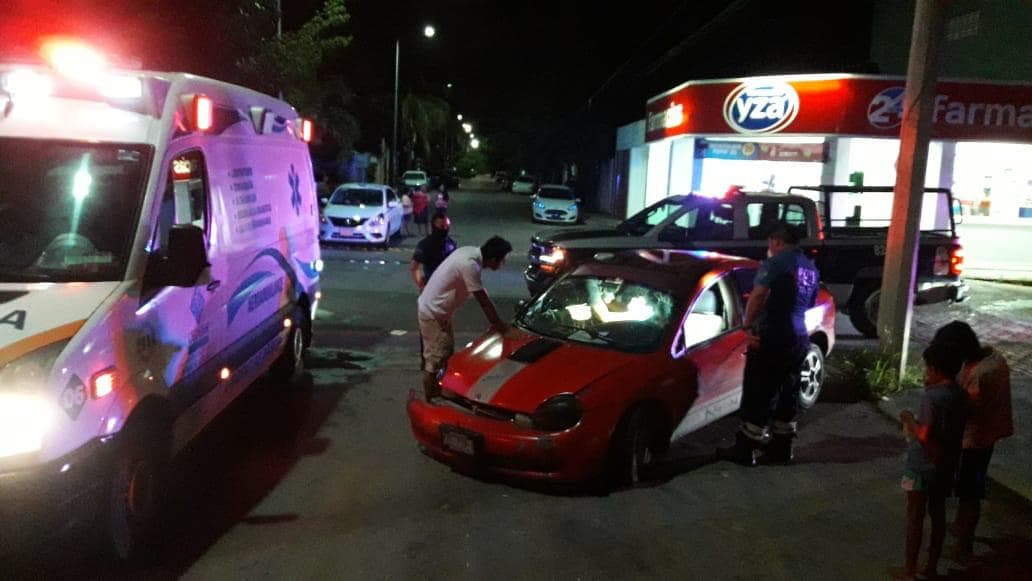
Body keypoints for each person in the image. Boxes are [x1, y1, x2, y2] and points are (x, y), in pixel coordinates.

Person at [720, 221, 819, 466]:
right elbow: (809, 303)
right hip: (799, 337)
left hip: (774, 334)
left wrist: (748, 324)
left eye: (770, 244)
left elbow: (757, 296)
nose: (769, 248)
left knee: (759, 390)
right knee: (789, 391)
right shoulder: (811, 269)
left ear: (776, 242)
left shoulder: (774, 263)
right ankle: (781, 448)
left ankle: (745, 449)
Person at [931, 321, 1013, 562]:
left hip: (976, 439)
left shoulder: (980, 374)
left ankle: (963, 545)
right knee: (970, 488)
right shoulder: (992, 359)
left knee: (969, 491)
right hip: (986, 436)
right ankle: (961, 531)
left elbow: (967, 409)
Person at [897, 342, 966, 580]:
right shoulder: (960, 394)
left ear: (935, 369)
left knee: (915, 515)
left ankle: (909, 569)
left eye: (927, 369)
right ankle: (931, 567)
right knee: (938, 515)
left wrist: (908, 419)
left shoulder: (931, 397)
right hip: (947, 464)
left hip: (920, 465)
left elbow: (925, 434)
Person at [416, 236, 512, 401]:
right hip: (433, 313)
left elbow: (481, 294)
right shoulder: (469, 265)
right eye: (502, 260)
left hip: (436, 311)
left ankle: (438, 390)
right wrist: (501, 327)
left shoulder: (468, 253)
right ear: (494, 259)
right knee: (437, 357)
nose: (502, 264)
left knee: (444, 352)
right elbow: (483, 301)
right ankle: (430, 399)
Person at [410, 210, 457, 291]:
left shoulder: (451, 243)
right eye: (442, 226)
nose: (445, 229)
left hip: (449, 287)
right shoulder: (425, 244)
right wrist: (421, 285)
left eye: (447, 226)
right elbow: (414, 267)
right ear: (434, 226)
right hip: (431, 286)